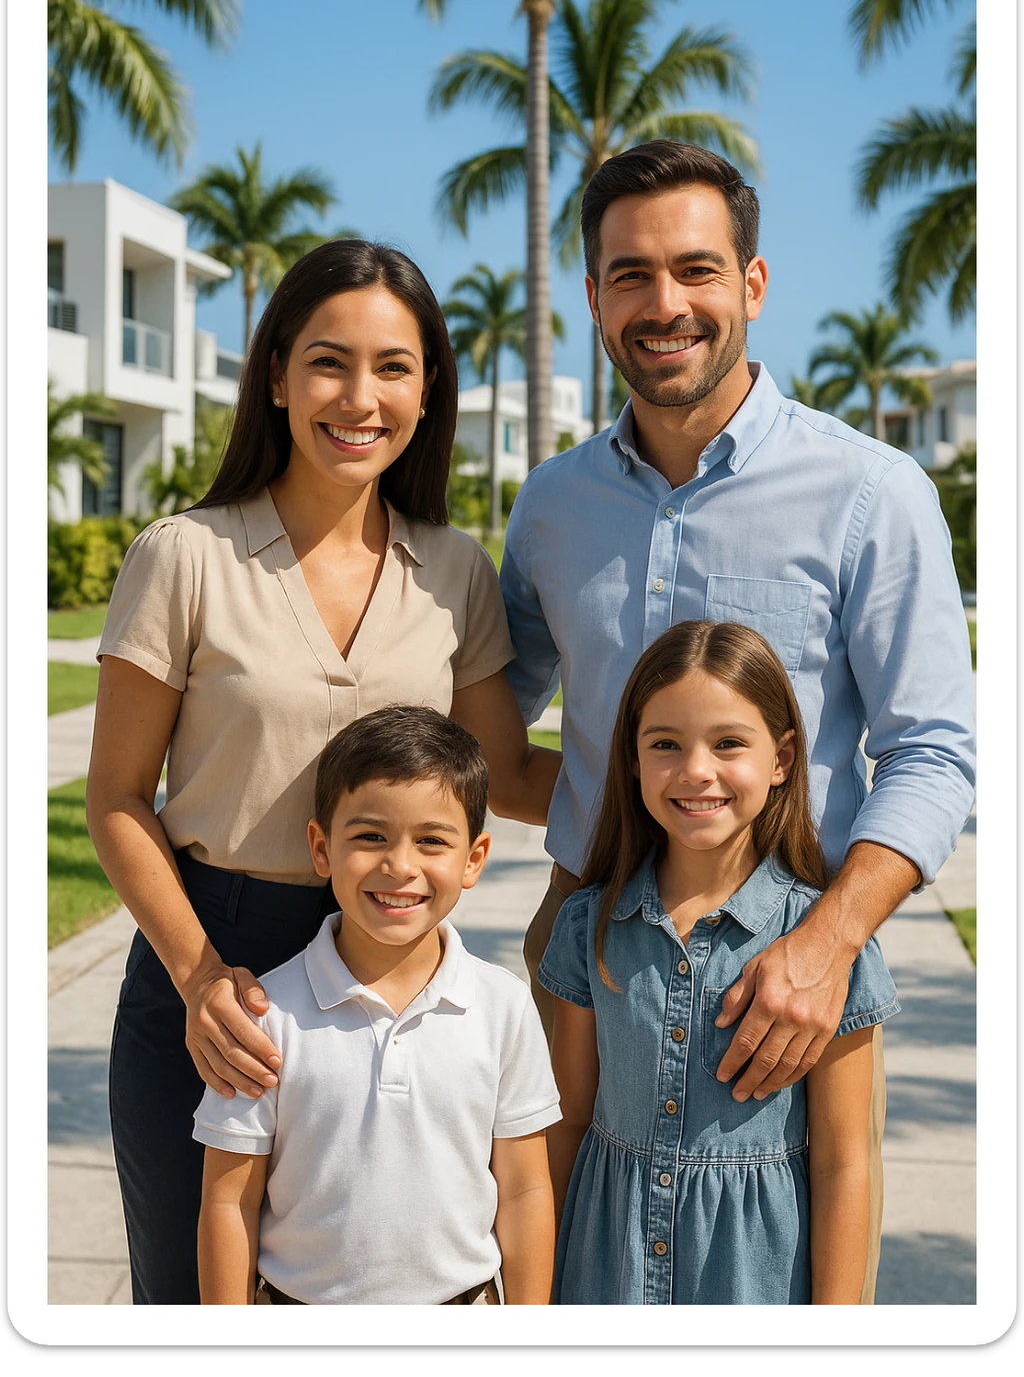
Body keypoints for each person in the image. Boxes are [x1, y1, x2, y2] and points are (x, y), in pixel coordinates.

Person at [500, 141, 975, 1302]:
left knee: (783, 1257)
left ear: (752, 283)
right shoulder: (550, 506)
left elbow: (934, 752)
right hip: (591, 955)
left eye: (696, 269)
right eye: (629, 275)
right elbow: (490, 739)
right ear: (594, 296)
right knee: (576, 1237)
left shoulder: (870, 492)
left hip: (789, 974)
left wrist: (824, 948)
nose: (663, 303)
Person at [86, 239, 561, 1305]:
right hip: (215, 965)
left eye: (393, 367)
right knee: (192, 1302)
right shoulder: (184, 556)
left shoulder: (455, 570)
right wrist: (200, 978)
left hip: (391, 958)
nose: (360, 398)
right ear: (276, 377)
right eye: (328, 362)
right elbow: (114, 799)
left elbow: (509, 773)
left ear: (427, 392)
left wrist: (686, 794)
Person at [540, 620, 900, 1305]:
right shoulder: (589, 926)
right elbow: (568, 1126)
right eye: (665, 744)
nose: (696, 770)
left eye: (728, 743)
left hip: (755, 1288)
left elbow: (844, 1164)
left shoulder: (825, 950)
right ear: (633, 758)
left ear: (781, 758)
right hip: (604, 1279)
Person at [194, 705, 560, 1305]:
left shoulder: (504, 1007)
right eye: (370, 837)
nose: (399, 866)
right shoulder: (263, 1014)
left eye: (431, 841)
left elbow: (525, 1192)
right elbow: (230, 1200)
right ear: (321, 848)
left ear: (473, 858)